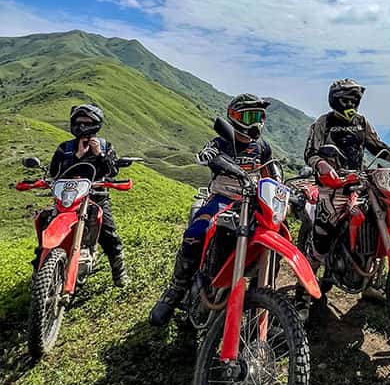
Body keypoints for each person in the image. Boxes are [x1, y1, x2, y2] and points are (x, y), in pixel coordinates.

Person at [149, 94, 278, 327]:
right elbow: (207, 154)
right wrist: (209, 156)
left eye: (260, 116)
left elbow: (270, 175)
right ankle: (176, 289)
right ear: (235, 117)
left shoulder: (262, 147)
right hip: (222, 198)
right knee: (194, 234)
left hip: (254, 203)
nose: (256, 122)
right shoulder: (221, 142)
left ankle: (266, 302)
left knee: (273, 240)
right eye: (250, 116)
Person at [302, 78, 390, 269]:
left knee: (376, 221)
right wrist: (321, 163)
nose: (351, 104)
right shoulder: (324, 122)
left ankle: (369, 274)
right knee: (324, 233)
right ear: (335, 100)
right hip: (332, 186)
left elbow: (376, 145)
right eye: (347, 100)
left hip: (359, 183)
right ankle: (304, 289)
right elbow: (310, 152)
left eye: (354, 101)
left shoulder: (361, 122)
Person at [36, 104, 127, 286]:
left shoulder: (105, 146)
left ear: (96, 124)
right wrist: (76, 156)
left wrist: (99, 154)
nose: (82, 126)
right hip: (67, 199)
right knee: (45, 223)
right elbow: (55, 173)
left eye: (87, 122)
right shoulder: (65, 148)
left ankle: (119, 273)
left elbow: (112, 172)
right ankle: (40, 272)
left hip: (96, 196)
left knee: (109, 235)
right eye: (79, 122)